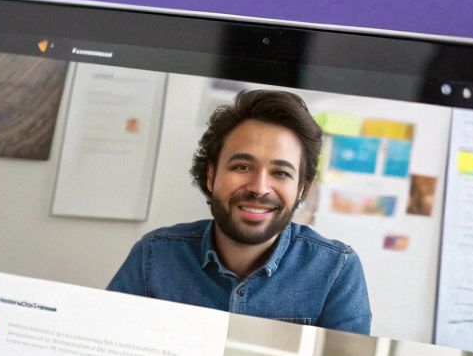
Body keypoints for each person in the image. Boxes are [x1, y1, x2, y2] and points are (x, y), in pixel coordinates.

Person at [108, 88, 372, 332]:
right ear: (211, 175)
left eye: (280, 172)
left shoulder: (337, 270)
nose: (259, 188)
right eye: (242, 167)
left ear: (302, 189)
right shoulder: (154, 255)